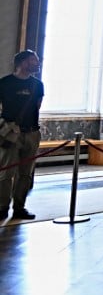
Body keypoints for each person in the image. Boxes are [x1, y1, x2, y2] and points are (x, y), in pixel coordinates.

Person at [0, 50, 44, 220]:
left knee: (26, 173)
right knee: (5, 173)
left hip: (31, 132)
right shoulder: (5, 83)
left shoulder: (38, 85)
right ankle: (2, 206)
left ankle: (20, 207)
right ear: (23, 63)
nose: (37, 63)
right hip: (10, 132)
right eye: (34, 61)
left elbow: (37, 107)